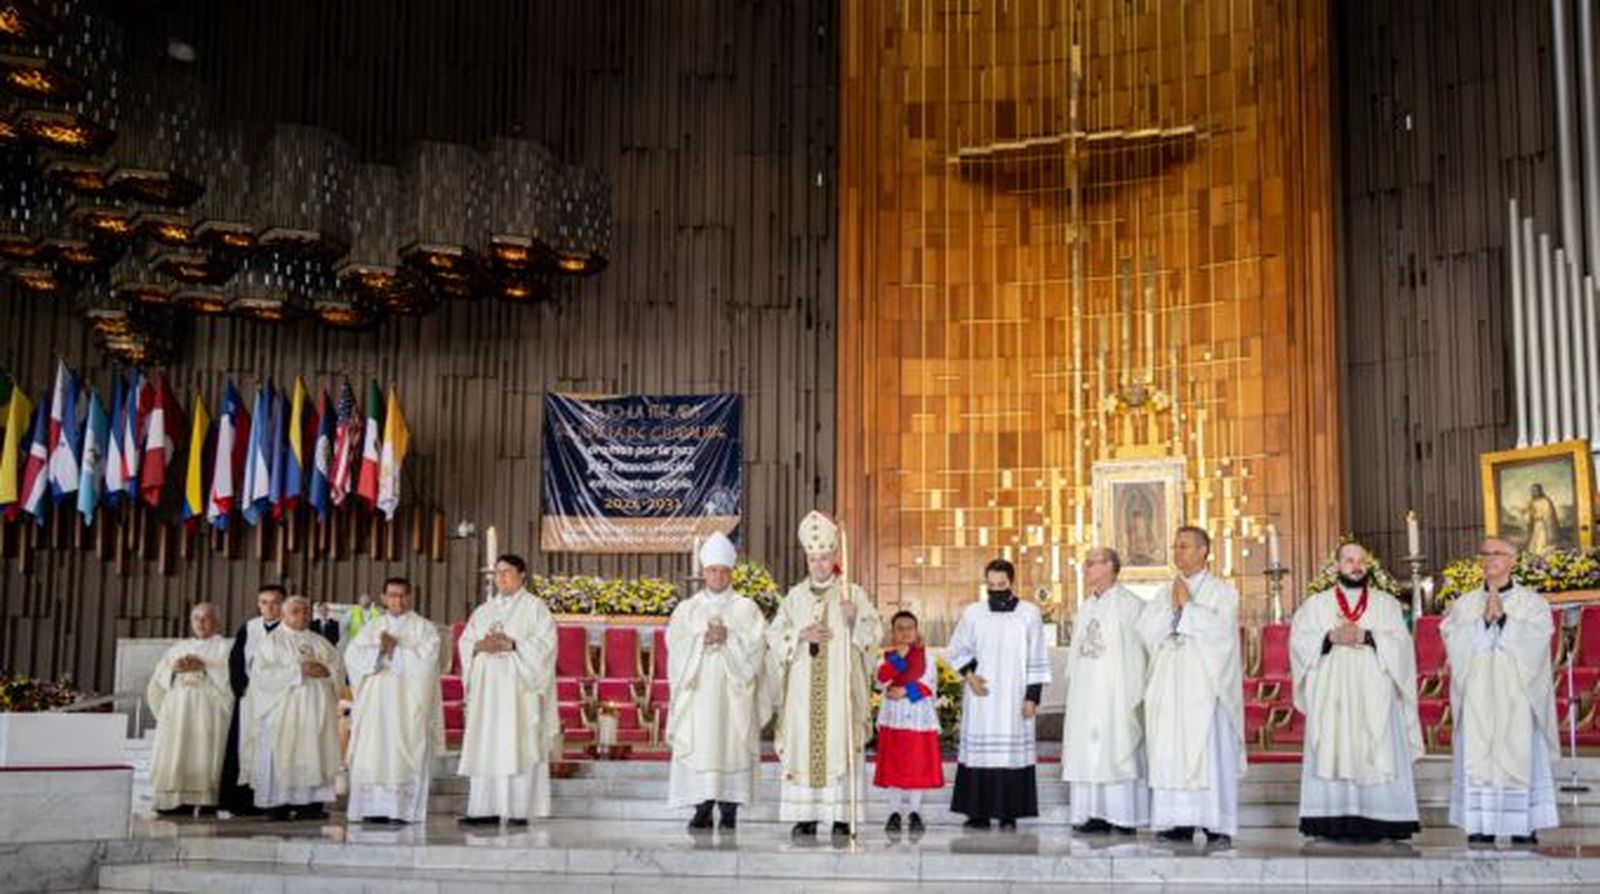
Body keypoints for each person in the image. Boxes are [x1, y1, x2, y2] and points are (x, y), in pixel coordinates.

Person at [1290, 542, 1422, 842]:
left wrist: (1370, 636)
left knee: (1376, 746)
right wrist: (1328, 637)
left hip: (1374, 692)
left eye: (1361, 560)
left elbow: (1402, 646)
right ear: (1336, 565)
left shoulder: (1386, 603)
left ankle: (1384, 821)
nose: (1356, 566)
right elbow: (1298, 642)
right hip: (1332, 693)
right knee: (1334, 744)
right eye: (1349, 560)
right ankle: (1329, 821)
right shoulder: (1316, 605)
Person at [768, 510, 884, 843]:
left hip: (839, 692)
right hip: (803, 694)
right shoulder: (794, 597)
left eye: (824, 557)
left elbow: (875, 634)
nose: (818, 564)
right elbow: (774, 636)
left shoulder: (852, 594)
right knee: (804, 748)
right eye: (813, 558)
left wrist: (853, 621)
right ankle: (804, 816)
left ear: (835, 556)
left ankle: (840, 817)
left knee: (838, 746)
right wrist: (798, 636)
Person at [1441, 537, 1559, 845]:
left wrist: (1505, 621)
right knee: (1477, 755)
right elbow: (1452, 640)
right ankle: (1481, 824)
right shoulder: (1465, 604)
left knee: (1519, 753)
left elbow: (1539, 642)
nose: (1490, 558)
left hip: (1517, 700)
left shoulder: (1533, 603)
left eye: (1498, 553)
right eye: (1485, 553)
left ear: (1512, 560)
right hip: (1478, 697)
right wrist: (1481, 621)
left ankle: (1523, 825)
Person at [1138, 525, 1245, 846]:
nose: (1177, 552)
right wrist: (1174, 611)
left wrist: (1187, 609)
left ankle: (1215, 823)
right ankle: (1175, 821)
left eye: (1184, 546)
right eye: (1175, 547)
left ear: (1203, 551)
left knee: (1209, 753)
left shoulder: (1222, 592)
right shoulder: (1163, 592)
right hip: (1170, 686)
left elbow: (1222, 632)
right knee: (1171, 750)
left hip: (1206, 685)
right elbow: (1146, 628)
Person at [665, 532, 768, 832]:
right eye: (713, 570)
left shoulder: (747, 608)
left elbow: (758, 646)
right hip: (699, 691)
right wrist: (699, 640)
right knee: (702, 745)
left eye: (724, 570)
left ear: (731, 572)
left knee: (731, 744)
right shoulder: (688, 608)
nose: (718, 576)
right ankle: (702, 807)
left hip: (732, 692)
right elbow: (675, 643)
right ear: (704, 572)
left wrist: (730, 638)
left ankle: (730, 807)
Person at [946, 557, 1051, 831]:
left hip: (1014, 697)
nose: (996, 590)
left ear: (1012, 583)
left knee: (1010, 755)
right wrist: (970, 677)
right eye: (991, 585)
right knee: (980, 753)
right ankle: (977, 812)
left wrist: (1032, 698)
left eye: (1001, 584)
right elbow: (957, 649)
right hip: (982, 696)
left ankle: (1009, 813)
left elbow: (1037, 658)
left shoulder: (1029, 613)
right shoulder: (974, 613)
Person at [457, 553, 560, 827]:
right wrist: (479, 646)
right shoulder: (484, 610)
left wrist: (513, 645)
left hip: (518, 694)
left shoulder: (535, 608)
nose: (500, 577)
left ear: (522, 575)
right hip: (488, 694)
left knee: (517, 743)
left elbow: (546, 647)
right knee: (488, 743)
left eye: (507, 572)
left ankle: (517, 810)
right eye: (497, 572)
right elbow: (466, 642)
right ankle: (483, 808)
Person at [1061, 547, 1148, 835]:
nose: (1085, 569)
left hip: (1116, 693)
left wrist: (1132, 694)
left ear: (1110, 566)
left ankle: (1122, 817)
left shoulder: (1130, 605)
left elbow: (1139, 654)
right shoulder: (1085, 607)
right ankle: (1093, 812)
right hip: (1086, 693)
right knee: (1087, 749)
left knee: (1115, 747)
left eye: (1090, 564)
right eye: (1085, 564)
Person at [345, 577, 443, 825]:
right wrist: (378, 652)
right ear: (383, 597)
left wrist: (395, 652)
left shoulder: (424, 628)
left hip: (407, 701)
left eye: (402, 595)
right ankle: (371, 807)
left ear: (410, 597)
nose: (397, 600)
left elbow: (429, 663)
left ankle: (400, 809)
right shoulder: (372, 627)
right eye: (392, 595)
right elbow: (353, 656)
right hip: (376, 702)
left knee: (404, 748)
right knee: (373, 749)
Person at [239, 595, 345, 820]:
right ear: (283, 614)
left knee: (313, 753)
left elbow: (337, 668)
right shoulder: (271, 642)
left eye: (306, 611)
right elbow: (261, 675)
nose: (303, 615)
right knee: (281, 754)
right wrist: (299, 672)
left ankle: (310, 804)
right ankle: (277, 804)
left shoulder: (319, 642)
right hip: (282, 711)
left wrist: (328, 673)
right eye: (296, 611)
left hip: (315, 711)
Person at [146, 602, 233, 818]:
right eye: (196, 618)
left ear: (217, 621)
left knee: (205, 751)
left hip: (209, 710)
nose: (201, 623)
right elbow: (158, 680)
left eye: (206, 618)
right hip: (178, 711)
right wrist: (174, 671)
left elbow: (233, 678)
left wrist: (205, 668)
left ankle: (207, 801)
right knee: (177, 751)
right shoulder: (178, 648)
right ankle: (174, 800)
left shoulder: (227, 647)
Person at [873, 609, 943, 835]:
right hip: (893, 718)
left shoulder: (927, 656)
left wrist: (904, 690)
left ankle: (914, 812)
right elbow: (881, 679)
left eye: (909, 628)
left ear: (916, 631)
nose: (905, 633)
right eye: (900, 629)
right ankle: (894, 812)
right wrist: (899, 658)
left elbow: (929, 684)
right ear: (892, 633)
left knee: (916, 764)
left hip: (918, 718)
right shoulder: (886, 656)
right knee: (894, 764)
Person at [219, 583, 285, 816]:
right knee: (245, 748)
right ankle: (243, 801)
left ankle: (274, 801)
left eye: (275, 602)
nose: (269, 607)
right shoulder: (249, 628)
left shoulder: (290, 630)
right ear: (258, 605)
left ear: (283, 604)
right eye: (264, 602)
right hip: (250, 698)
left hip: (279, 702)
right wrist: (242, 688)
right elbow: (236, 661)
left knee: (274, 750)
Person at [1525, 484, 1559, 555]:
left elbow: (1547, 514)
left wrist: (1537, 516)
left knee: (1541, 542)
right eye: (1532, 491)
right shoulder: (1532, 501)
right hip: (1536, 525)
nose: (1534, 492)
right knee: (1534, 543)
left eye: (1535, 490)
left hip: (1544, 525)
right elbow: (1529, 513)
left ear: (1539, 491)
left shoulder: (1545, 501)